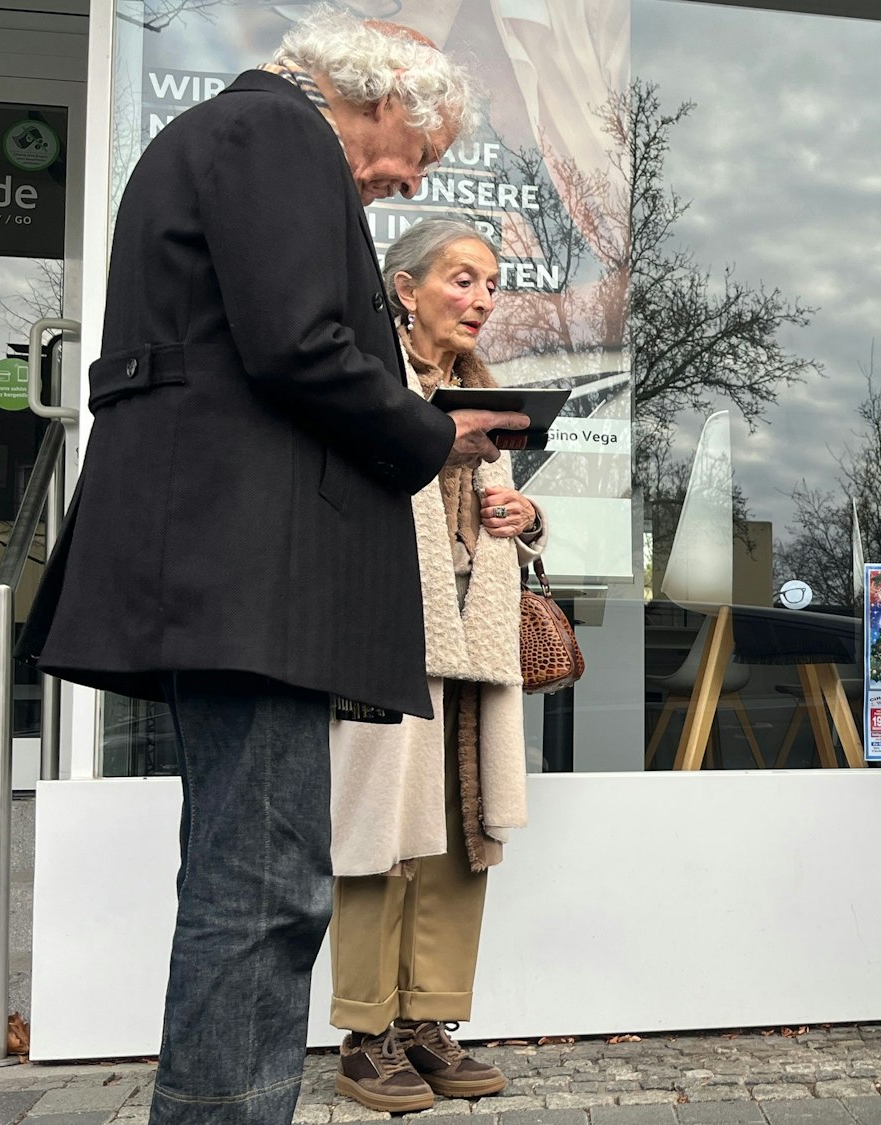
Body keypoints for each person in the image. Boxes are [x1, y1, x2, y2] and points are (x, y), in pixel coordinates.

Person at [17, 14, 527, 1124]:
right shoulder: (278, 134)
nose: (405, 181)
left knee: (242, 881)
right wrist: (435, 437)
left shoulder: (220, 135)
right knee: (262, 892)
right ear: (382, 97)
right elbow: (298, 344)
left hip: (214, 562)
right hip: (248, 574)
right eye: (419, 156)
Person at [327, 219, 545, 1112]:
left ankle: (429, 1024)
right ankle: (365, 1032)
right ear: (405, 291)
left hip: (474, 642)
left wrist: (525, 521)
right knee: (381, 834)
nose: (483, 300)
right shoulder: (367, 388)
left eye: (491, 285)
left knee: (462, 835)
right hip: (389, 635)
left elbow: (507, 519)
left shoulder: (486, 395)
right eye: (463, 280)